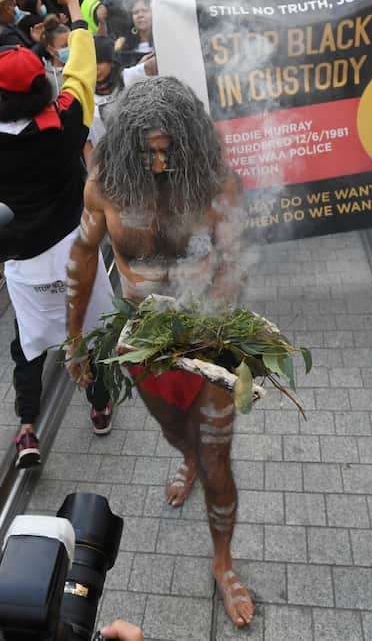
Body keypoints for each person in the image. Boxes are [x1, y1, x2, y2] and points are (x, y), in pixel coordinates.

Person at [65, 75, 251, 627]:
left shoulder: (217, 183)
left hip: (208, 342)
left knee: (219, 456)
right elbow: (81, 256)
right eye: (148, 153)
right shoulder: (104, 186)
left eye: (168, 152)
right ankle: (184, 455)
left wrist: (206, 321)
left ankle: (223, 563)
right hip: (142, 344)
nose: (159, 165)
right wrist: (75, 337)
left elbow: (233, 262)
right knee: (177, 433)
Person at [0, 0, 114, 467]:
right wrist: (74, 8)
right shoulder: (68, 122)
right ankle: (99, 406)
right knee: (88, 336)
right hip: (78, 257)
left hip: (27, 269)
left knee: (28, 344)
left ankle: (27, 428)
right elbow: (82, 71)